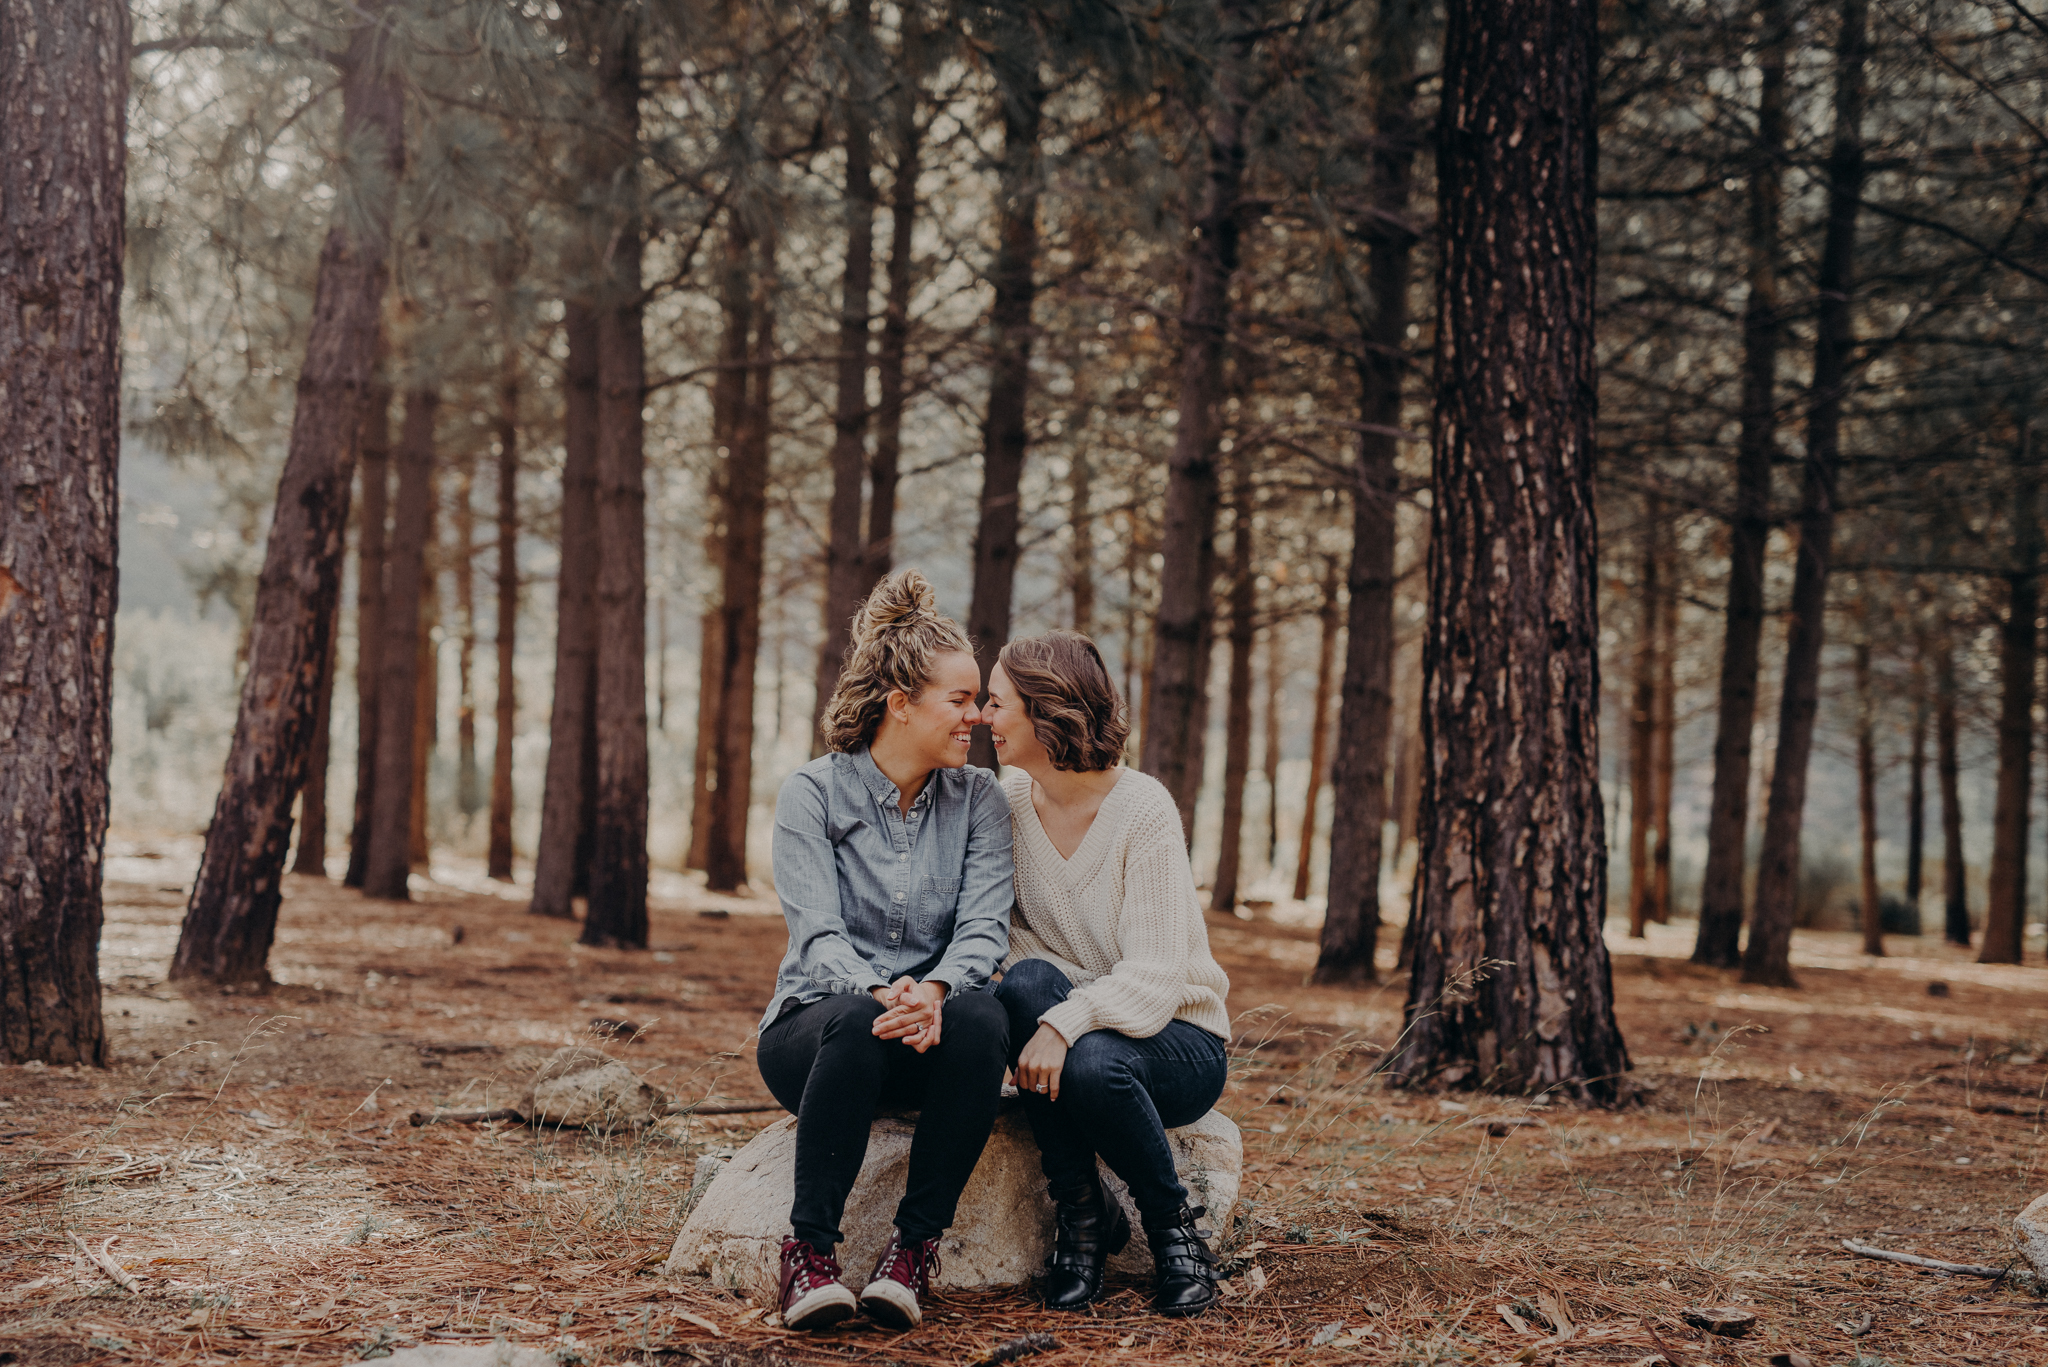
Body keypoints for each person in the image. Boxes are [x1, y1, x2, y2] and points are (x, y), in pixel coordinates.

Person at [756, 570, 1014, 1332]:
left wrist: (934, 991)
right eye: (960, 699)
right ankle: (808, 1257)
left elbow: (983, 928)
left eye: (978, 699)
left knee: (985, 1019)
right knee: (850, 1020)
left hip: (930, 1029)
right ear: (901, 704)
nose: (977, 716)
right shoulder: (812, 792)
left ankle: (911, 1250)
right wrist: (883, 995)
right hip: (817, 1034)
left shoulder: (980, 800)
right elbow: (817, 936)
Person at [981, 630, 1232, 1318]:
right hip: (1085, 1026)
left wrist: (1065, 1018)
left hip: (1179, 1043)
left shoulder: (1142, 808)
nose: (982, 715)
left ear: (1045, 709)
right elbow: (1007, 949)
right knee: (1026, 988)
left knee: (1087, 1055)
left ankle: (1171, 1229)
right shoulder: (1005, 803)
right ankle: (1084, 1213)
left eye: (996, 701)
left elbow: (1154, 978)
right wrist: (1060, 1007)